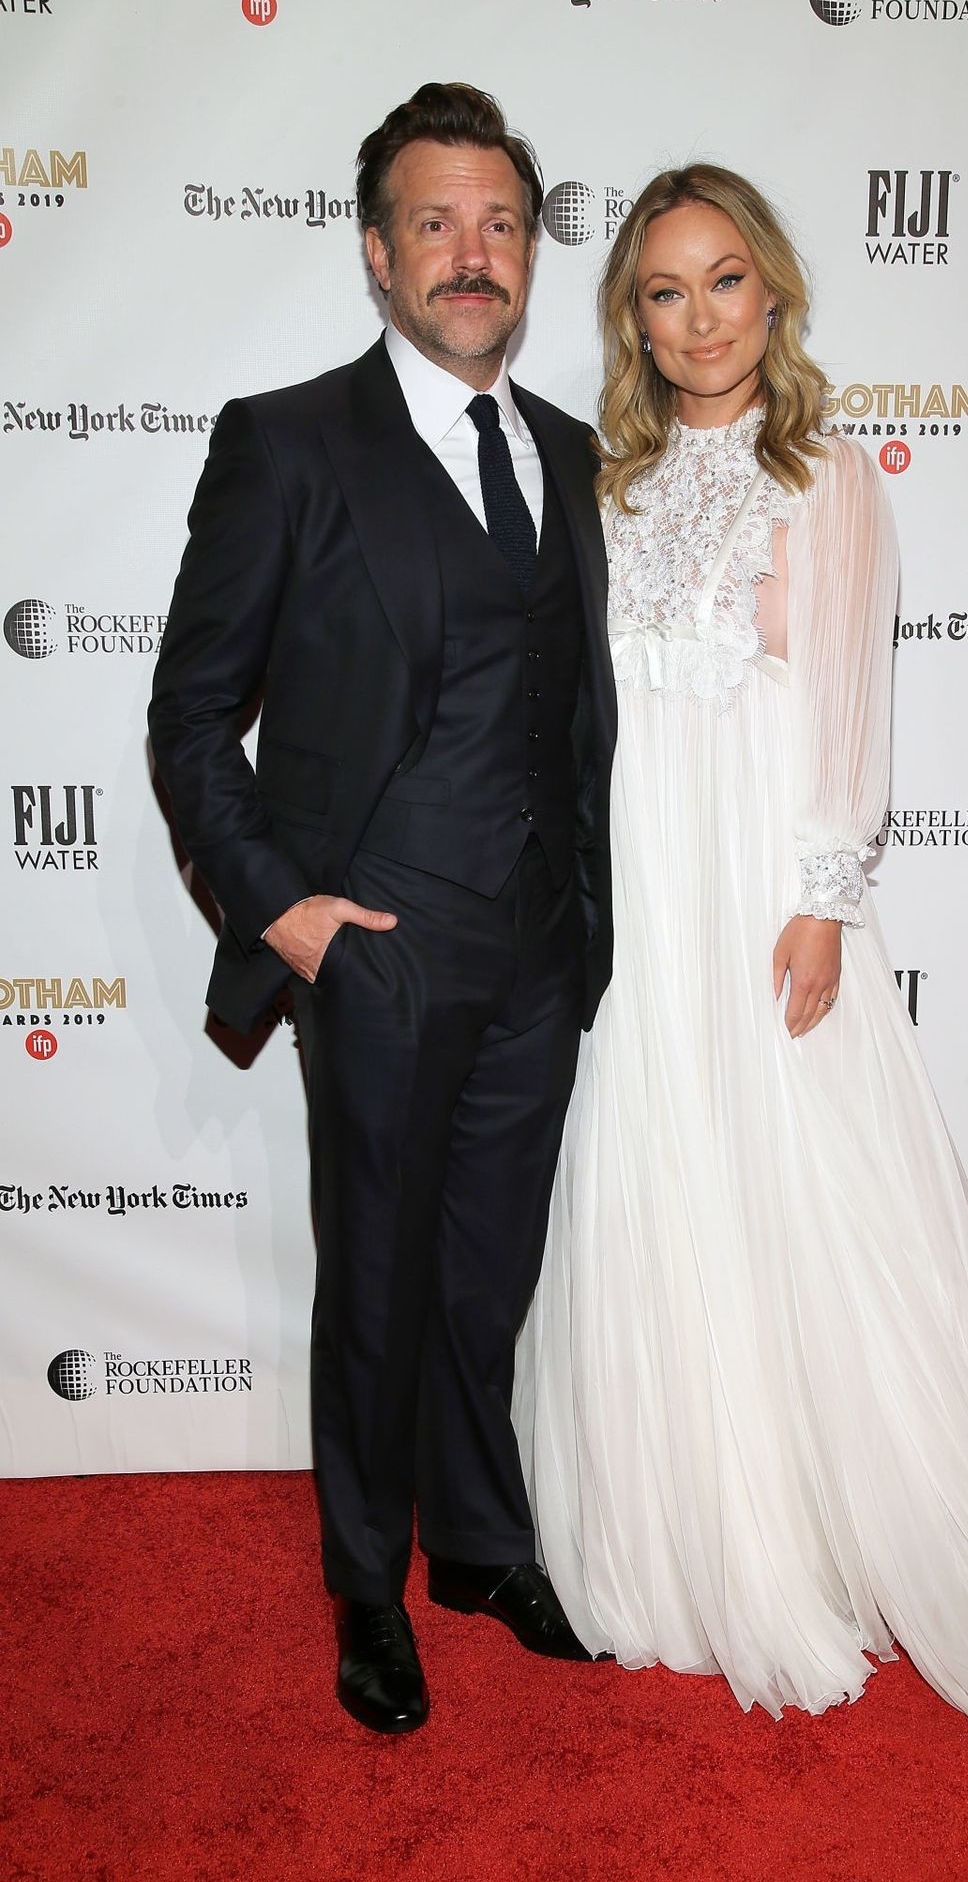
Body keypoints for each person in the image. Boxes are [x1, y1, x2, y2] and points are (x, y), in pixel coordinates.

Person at [513, 164, 968, 1736]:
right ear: (633, 319)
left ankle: (867, 1511)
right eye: (665, 292)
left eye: (725, 281)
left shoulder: (824, 475)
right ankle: (701, 1522)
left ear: (774, 292)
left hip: (765, 883)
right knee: (669, 1168)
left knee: (813, 1178)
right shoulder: (606, 484)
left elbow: (843, 706)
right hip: (646, 888)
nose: (700, 319)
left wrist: (822, 897)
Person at [149, 84, 616, 1735]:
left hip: (539, 951)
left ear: (530, 252)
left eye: (500, 224)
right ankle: (367, 1585)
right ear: (376, 250)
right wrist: (285, 914)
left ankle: (479, 1547)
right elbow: (190, 718)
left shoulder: (571, 453)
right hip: (379, 952)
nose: (471, 255)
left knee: (488, 1276)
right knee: (376, 1284)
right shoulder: (287, 442)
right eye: (435, 223)